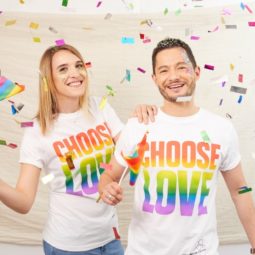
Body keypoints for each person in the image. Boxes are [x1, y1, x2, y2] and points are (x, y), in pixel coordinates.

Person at [98, 38, 255, 255]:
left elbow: (240, 190)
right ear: (154, 79)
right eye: (164, 70)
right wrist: (106, 188)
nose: (173, 77)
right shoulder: (138, 126)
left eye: (181, 67)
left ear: (197, 71)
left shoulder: (222, 129)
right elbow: (110, 176)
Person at [0, 44, 157, 255]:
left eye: (78, 65)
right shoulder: (38, 131)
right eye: (63, 69)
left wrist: (140, 119)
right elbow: (24, 201)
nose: (75, 73)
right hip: (68, 246)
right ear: (48, 80)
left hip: (110, 238)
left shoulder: (99, 107)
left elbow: (132, 153)